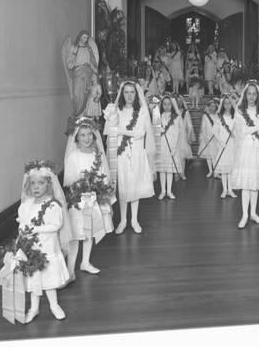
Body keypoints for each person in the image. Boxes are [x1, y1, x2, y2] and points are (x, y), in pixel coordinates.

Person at [17, 162, 71, 322]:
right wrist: (22, 231)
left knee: (49, 279)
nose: (36, 187)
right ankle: (34, 308)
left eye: (40, 183)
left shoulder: (52, 205)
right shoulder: (26, 205)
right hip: (31, 249)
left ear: (48, 184)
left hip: (47, 248)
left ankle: (54, 305)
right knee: (34, 279)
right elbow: (23, 222)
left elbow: (56, 225)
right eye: (33, 183)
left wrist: (35, 228)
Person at [63, 118, 115, 280]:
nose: (86, 138)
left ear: (94, 135)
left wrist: (104, 190)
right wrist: (81, 183)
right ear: (76, 138)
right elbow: (69, 180)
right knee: (77, 234)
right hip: (78, 201)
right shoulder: (74, 156)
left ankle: (85, 262)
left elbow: (104, 174)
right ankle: (70, 270)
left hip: (94, 199)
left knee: (89, 232)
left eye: (89, 135)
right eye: (82, 135)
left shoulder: (98, 155)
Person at [103, 81, 155, 234]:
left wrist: (122, 131)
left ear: (136, 94)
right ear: (122, 94)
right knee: (124, 185)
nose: (129, 95)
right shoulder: (117, 111)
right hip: (122, 152)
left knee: (135, 184)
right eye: (126, 92)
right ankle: (123, 220)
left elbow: (141, 133)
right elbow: (110, 131)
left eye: (132, 92)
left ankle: (134, 219)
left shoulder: (143, 111)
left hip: (137, 151)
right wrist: (112, 120)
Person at [231, 82, 259, 228]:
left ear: (258, 95)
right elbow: (241, 130)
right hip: (245, 149)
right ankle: (244, 214)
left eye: (254, 94)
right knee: (246, 184)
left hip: (257, 149)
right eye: (249, 93)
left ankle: (254, 213)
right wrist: (257, 127)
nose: (252, 97)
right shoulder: (240, 111)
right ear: (245, 94)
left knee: (254, 183)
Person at [65, 30, 99, 117]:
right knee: (77, 95)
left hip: (88, 74)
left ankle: (85, 116)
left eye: (87, 38)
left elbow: (92, 62)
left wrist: (94, 70)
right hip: (78, 74)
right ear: (80, 37)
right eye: (84, 37)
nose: (85, 39)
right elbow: (69, 63)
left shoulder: (88, 48)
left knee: (87, 95)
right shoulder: (74, 48)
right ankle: (77, 115)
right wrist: (74, 54)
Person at [156, 95, 182, 199]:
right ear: (162, 105)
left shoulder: (176, 117)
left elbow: (177, 133)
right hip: (162, 145)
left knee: (170, 170)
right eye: (164, 104)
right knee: (162, 170)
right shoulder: (158, 116)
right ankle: (163, 191)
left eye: (169, 104)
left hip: (172, 145)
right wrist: (159, 130)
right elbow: (154, 130)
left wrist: (174, 148)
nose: (167, 106)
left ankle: (169, 191)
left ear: (172, 105)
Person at [212, 95, 238, 198]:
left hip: (232, 145)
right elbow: (214, 131)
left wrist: (235, 135)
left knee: (230, 169)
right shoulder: (219, 117)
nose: (228, 105)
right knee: (224, 169)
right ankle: (224, 190)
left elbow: (238, 130)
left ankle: (230, 190)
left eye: (229, 103)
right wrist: (221, 142)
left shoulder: (234, 117)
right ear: (223, 105)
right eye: (225, 103)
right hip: (222, 145)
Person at [198, 98, 221, 177]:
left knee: (215, 155)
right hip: (207, 138)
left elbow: (219, 127)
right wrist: (206, 137)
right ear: (208, 107)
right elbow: (203, 128)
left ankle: (216, 172)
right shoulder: (205, 116)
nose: (212, 108)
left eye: (214, 106)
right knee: (208, 156)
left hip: (215, 138)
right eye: (211, 106)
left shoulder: (217, 116)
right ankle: (210, 171)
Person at [175, 95, 195, 180]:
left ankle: (182, 173)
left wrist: (189, 135)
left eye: (180, 101)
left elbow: (189, 125)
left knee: (182, 156)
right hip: (174, 136)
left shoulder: (185, 112)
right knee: (175, 155)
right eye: (177, 101)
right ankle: (176, 173)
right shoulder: (173, 112)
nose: (179, 103)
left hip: (182, 136)